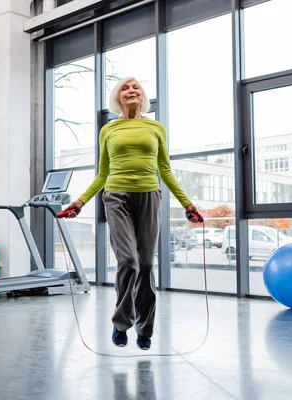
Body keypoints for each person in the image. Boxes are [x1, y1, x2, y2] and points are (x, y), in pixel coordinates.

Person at [61, 77, 201, 350]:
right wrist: (80, 201)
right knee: (128, 261)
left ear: (143, 96)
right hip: (116, 197)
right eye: (125, 88)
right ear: (118, 98)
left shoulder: (155, 127)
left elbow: (165, 170)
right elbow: (102, 173)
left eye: (136, 87)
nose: (131, 90)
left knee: (146, 264)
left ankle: (145, 329)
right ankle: (121, 322)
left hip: (149, 196)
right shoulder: (108, 130)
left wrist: (187, 204)